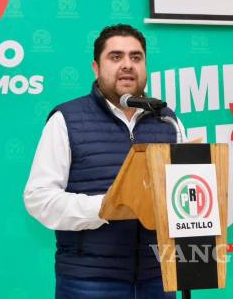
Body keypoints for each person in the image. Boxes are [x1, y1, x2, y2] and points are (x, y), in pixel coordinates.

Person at [24, 24, 185, 299]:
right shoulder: (66, 120)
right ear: (96, 68)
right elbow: (39, 198)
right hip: (89, 281)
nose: (127, 65)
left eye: (136, 57)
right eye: (116, 56)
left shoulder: (168, 121)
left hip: (159, 278)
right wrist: (105, 207)